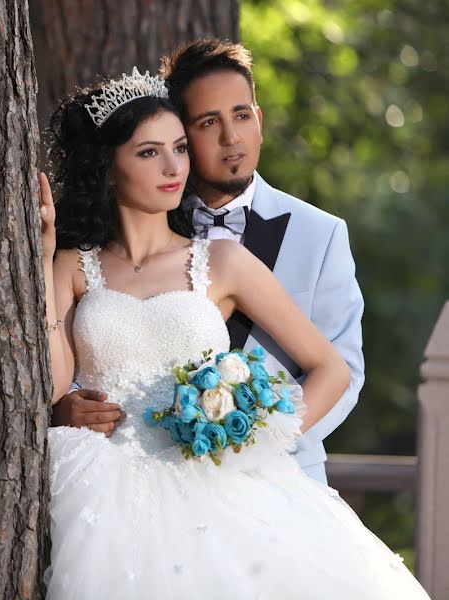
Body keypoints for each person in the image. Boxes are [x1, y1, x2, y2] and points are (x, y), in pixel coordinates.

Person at [38, 68, 428, 598]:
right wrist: (42, 262)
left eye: (179, 147)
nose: (175, 166)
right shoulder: (70, 266)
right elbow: (54, 381)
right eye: (149, 153)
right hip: (101, 481)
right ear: (107, 167)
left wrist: (259, 441)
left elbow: (331, 367)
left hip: (213, 481)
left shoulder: (221, 260)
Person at [51, 39, 364, 486]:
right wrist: (68, 406)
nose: (231, 138)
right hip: (116, 476)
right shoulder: (140, 223)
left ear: (258, 119)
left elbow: (341, 370)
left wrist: (255, 448)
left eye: (241, 115)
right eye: (208, 122)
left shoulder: (320, 234)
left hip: (275, 477)